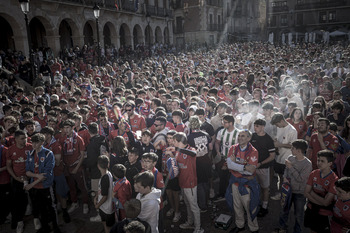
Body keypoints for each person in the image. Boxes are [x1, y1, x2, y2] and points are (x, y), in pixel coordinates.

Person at [166, 132, 204, 233]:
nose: (172, 143)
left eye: (174, 141)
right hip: (182, 181)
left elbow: (194, 154)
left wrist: (176, 150)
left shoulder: (191, 149)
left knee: (194, 206)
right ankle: (190, 222)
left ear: (180, 141)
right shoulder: (177, 151)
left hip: (190, 182)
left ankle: (198, 228)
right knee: (187, 204)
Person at [273, 139, 312, 233]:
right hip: (288, 191)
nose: (291, 150)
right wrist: (285, 177)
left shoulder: (307, 164)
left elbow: (301, 179)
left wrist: (291, 168)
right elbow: (286, 170)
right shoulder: (290, 158)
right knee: (284, 210)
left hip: (299, 193)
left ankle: (297, 230)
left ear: (299, 151)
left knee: (298, 214)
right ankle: (282, 228)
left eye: (292, 148)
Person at [25, 133, 61, 233]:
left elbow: (46, 174)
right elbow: (27, 171)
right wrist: (37, 176)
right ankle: (45, 227)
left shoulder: (48, 154)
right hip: (35, 187)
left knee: (51, 207)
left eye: (36, 142)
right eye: (33, 142)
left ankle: (55, 227)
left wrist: (31, 184)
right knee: (40, 209)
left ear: (41, 143)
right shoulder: (30, 154)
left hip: (45, 186)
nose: (34, 145)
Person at [225, 130, 259, 233]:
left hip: (247, 184)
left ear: (249, 138)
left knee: (250, 207)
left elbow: (252, 171)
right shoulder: (233, 148)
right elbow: (229, 165)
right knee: (237, 206)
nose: (240, 138)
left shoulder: (253, 151)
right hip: (235, 182)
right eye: (239, 136)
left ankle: (254, 228)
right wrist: (244, 167)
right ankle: (240, 226)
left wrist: (236, 163)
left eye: (243, 136)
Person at [41, 126, 71, 223]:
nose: (42, 136)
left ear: (49, 135)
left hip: (57, 173)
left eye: (44, 134)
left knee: (61, 194)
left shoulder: (56, 145)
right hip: (49, 174)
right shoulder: (44, 145)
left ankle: (65, 212)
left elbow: (57, 162)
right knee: (53, 194)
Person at [304, 150, 338, 233]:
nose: (319, 163)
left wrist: (312, 193)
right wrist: (321, 201)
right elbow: (306, 192)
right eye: (318, 160)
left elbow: (327, 203)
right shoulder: (314, 173)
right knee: (312, 229)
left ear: (330, 163)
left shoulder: (334, 179)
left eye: (322, 161)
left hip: (324, 213)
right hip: (311, 208)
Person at [6, 130, 32, 232]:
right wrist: (16, 177)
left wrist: (31, 175)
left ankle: (37, 219)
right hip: (17, 180)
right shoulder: (10, 150)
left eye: (25, 138)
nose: (24, 140)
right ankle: (19, 221)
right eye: (22, 138)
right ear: (16, 139)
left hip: (31, 178)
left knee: (35, 199)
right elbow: (9, 166)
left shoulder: (30, 147)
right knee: (19, 202)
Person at [61, 119, 89, 214]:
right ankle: (74, 202)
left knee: (82, 187)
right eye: (64, 128)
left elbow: (82, 155)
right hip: (67, 168)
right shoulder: (62, 139)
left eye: (68, 127)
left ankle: (85, 203)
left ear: (72, 128)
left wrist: (77, 167)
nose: (66, 130)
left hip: (78, 167)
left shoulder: (78, 139)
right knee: (71, 187)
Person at [250, 119, 276, 217]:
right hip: (252, 167)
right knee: (253, 186)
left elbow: (272, 156)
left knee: (265, 188)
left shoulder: (268, 139)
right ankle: (255, 204)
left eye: (257, 126)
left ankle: (264, 207)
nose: (255, 128)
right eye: (254, 126)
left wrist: (261, 163)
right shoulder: (252, 136)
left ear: (262, 127)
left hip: (263, 168)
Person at [270, 113, 297, 200]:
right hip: (279, 157)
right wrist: (276, 143)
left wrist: (280, 144)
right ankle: (281, 193)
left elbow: (293, 145)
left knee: (286, 178)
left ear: (282, 121)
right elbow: (278, 139)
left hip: (287, 158)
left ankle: (286, 195)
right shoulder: (279, 128)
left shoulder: (292, 130)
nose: (276, 126)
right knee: (280, 177)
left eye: (277, 124)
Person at [215, 114, 239, 199]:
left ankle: (232, 194)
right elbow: (217, 142)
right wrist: (218, 151)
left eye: (225, 122)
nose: (223, 124)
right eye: (223, 122)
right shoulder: (221, 131)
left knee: (232, 177)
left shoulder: (238, 133)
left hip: (234, 160)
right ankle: (222, 194)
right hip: (223, 157)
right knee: (222, 177)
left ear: (231, 123)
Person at [91, 155, 115, 233]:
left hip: (107, 209)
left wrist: (97, 205)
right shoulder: (108, 174)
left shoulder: (105, 178)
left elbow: (105, 196)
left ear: (98, 166)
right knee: (104, 223)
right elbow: (101, 190)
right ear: (108, 164)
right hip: (104, 208)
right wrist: (96, 197)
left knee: (109, 227)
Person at [86, 122, 108, 197]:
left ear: (88, 131)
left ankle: (98, 207)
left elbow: (91, 162)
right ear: (98, 130)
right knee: (105, 192)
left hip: (95, 173)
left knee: (97, 194)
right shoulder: (104, 140)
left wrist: (84, 162)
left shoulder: (91, 145)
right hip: (105, 170)